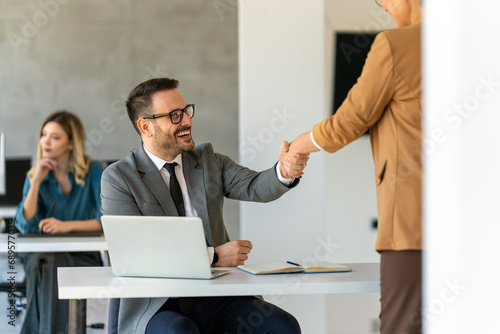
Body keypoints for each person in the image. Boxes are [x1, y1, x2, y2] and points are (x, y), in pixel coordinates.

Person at [100, 77, 307, 334]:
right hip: (159, 303)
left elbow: (255, 185)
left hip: (218, 295)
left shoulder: (208, 161)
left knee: (282, 327)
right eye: (175, 115)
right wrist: (214, 256)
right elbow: (135, 255)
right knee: (180, 332)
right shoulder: (119, 177)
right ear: (146, 127)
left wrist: (284, 172)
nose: (187, 121)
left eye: (186, 111)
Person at [282, 1, 423, 333]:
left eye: (383, 2)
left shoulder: (395, 43)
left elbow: (350, 121)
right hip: (478, 220)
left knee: (402, 325)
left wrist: (299, 145)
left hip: (413, 220)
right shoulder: (480, 40)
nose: (386, 9)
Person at [14, 111, 105, 334]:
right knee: (49, 261)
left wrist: (67, 226)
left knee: (49, 265)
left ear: (71, 143)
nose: (46, 141)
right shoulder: (35, 175)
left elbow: (107, 219)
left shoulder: (94, 170)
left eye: (55, 137)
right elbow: (24, 225)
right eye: (43, 135)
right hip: (42, 258)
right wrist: (36, 181)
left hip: (81, 258)